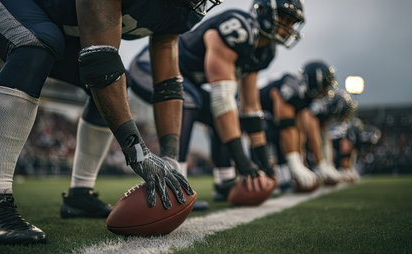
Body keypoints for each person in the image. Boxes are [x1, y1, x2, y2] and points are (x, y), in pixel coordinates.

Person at [0, 0, 222, 244]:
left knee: (116, 87)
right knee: (36, 43)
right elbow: (100, 61)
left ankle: (80, 195)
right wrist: (138, 154)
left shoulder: (181, 10)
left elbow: (167, 83)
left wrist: (170, 157)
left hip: (51, 15)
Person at [128, 0, 305, 206]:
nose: (288, 28)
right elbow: (222, 98)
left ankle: (225, 180)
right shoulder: (238, 27)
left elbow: (251, 109)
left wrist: (265, 165)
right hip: (149, 67)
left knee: (225, 113)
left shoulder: (265, 51)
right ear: (264, 12)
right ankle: (176, 177)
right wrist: (243, 161)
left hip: (185, 80)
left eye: (292, 23)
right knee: (193, 100)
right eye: (285, 19)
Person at [244, 60, 337, 192]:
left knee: (283, 134)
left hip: (266, 113)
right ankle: (256, 176)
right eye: (325, 85)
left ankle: (281, 179)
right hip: (247, 108)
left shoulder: (305, 95)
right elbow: (286, 127)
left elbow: (298, 130)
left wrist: (301, 161)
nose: (327, 90)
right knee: (270, 134)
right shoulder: (292, 87)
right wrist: (295, 165)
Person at [297, 89, 357, 184]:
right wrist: (321, 164)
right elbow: (312, 136)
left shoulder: (323, 115)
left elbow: (325, 139)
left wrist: (329, 165)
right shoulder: (316, 109)